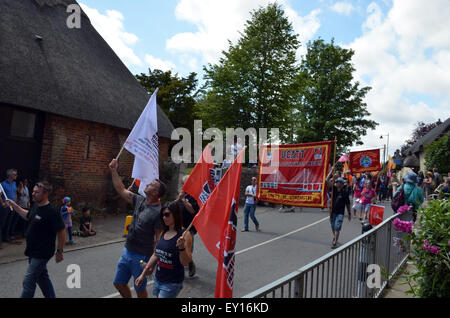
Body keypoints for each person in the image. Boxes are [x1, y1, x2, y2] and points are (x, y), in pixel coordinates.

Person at [109, 158, 166, 298]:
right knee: (118, 283)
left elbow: (158, 239)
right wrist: (113, 170)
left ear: (156, 193)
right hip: (127, 250)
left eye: (152, 184)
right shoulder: (139, 200)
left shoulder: (159, 212)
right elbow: (121, 189)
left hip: (142, 256)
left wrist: (152, 263)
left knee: (139, 287)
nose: (148, 184)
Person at [5, 181, 65, 298]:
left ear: (46, 194)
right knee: (42, 278)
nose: (33, 194)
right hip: (32, 250)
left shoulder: (51, 211)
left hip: (42, 252)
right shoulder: (36, 206)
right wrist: (14, 205)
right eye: (33, 191)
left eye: (36, 192)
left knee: (28, 281)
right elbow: (27, 215)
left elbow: (61, 230)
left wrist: (60, 251)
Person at [135, 201, 192, 298]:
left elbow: (185, 262)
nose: (164, 217)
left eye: (167, 214)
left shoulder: (185, 235)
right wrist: (143, 274)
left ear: (176, 214)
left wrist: (182, 248)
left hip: (172, 283)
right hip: (158, 279)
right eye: (162, 215)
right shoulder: (163, 232)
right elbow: (156, 255)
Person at [178, 175, 200, 278]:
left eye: (184, 184)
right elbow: (174, 206)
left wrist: (183, 200)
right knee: (178, 248)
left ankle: (190, 264)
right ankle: (180, 268)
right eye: (182, 184)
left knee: (186, 249)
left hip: (189, 227)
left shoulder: (194, 196)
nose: (182, 186)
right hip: (179, 226)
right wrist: (179, 199)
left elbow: (192, 210)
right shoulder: (183, 194)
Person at [328, 177, 351, 249]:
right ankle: (335, 237)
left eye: (340, 182)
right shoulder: (333, 189)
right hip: (332, 212)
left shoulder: (345, 192)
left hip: (340, 213)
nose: (338, 183)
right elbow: (326, 181)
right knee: (333, 227)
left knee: (337, 228)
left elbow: (347, 204)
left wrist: (349, 213)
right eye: (337, 182)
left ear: (342, 184)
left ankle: (335, 242)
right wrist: (331, 171)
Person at [1, 169, 20, 243]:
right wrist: (3, 204)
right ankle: (1, 237)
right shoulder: (3, 184)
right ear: (10, 175)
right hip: (5, 206)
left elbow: (15, 193)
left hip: (13, 206)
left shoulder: (14, 183)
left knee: (10, 222)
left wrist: (15, 203)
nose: (16, 176)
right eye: (15, 174)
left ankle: (6, 236)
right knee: (3, 222)